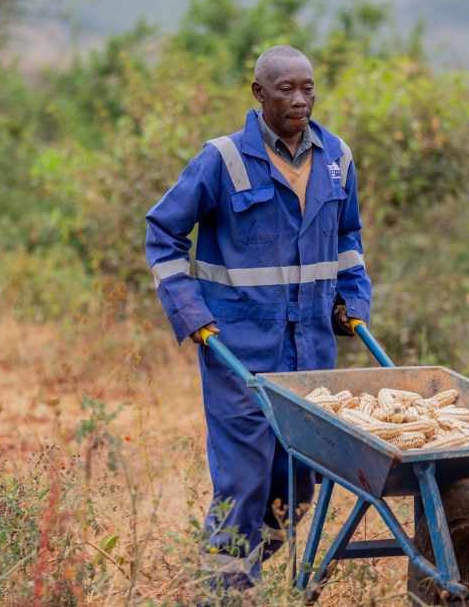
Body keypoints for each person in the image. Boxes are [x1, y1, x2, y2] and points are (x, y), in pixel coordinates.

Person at [144, 45, 372, 588]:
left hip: (310, 354)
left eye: (308, 88)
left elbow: (347, 241)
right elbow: (163, 235)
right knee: (244, 480)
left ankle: (236, 571)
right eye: (286, 89)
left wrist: (352, 301)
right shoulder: (221, 160)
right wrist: (190, 312)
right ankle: (221, 594)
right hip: (237, 353)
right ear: (258, 93)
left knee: (297, 484)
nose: (300, 99)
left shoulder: (337, 158)